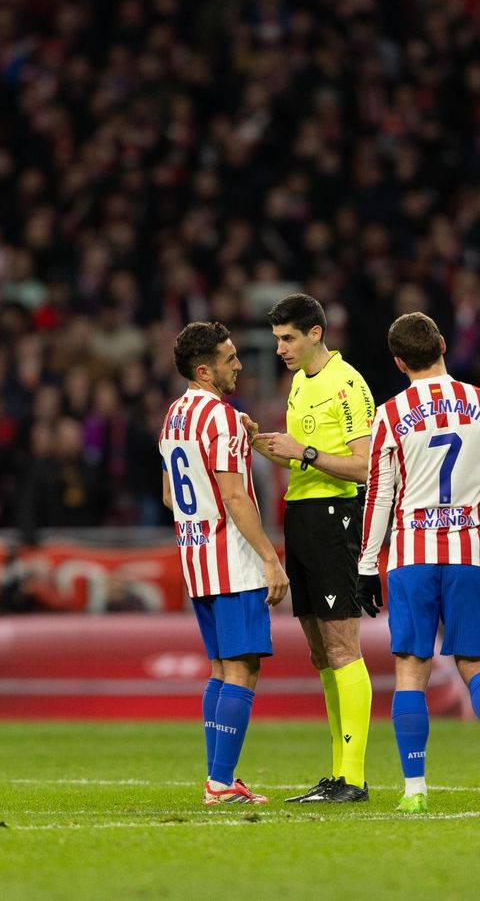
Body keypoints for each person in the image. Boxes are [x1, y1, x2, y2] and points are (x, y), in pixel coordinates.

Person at [357, 312, 480, 814]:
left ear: (398, 362)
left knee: (411, 668)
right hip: (469, 554)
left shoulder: (391, 414)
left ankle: (415, 790)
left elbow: (380, 494)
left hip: (412, 556)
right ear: (441, 343)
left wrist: (367, 563)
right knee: (478, 663)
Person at [246, 293, 375, 804]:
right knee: (322, 653)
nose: (280, 349)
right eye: (277, 339)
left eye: (288, 338)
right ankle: (339, 772)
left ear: (316, 333)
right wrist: (269, 445)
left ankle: (355, 778)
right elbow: (306, 459)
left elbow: (366, 467)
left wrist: (305, 451)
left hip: (333, 519)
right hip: (300, 516)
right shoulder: (300, 383)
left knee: (343, 646)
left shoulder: (348, 384)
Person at [159, 321, 289, 806]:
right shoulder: (223, 418)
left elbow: (171, 497)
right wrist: (270, 560)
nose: (239, 365)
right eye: (229, 358)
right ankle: (220, 781)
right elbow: (235, 495)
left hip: (195, 560)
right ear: (204, 370)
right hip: (232, 561)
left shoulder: (173, 417)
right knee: (243, 668)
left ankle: (219, 779)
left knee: (220, 668)